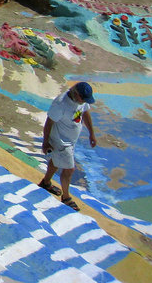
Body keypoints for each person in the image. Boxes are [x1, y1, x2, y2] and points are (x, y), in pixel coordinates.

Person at [38, 81, 97, 211]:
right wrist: (45, 142)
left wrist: (91, 133)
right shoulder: (61, 104)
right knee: (69, 169)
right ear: (76, 94)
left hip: (71, 140)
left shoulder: (81, 101)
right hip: (61, 141)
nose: (84, 102)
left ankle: (45, 183)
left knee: (56, 161)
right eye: (83, 99)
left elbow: (85, 113)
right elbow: (49, 123)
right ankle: (66, 197)